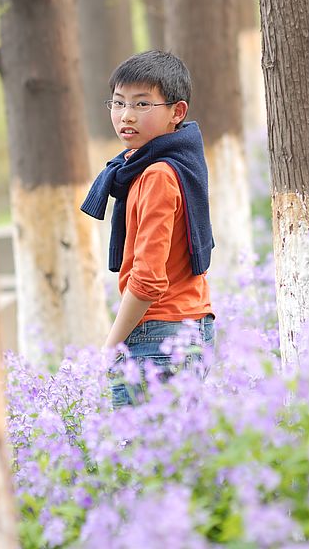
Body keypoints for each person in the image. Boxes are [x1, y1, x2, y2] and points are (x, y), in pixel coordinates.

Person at [81, 50, 215, 408]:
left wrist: (111, 346)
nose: (126, 116)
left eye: (142, 104)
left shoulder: (156, 175)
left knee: (142, 458)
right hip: (189, 322)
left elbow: (148, 280)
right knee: (178, 457)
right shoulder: (174, 162)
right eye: (118, 103)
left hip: (158, 336)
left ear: (177, 111)